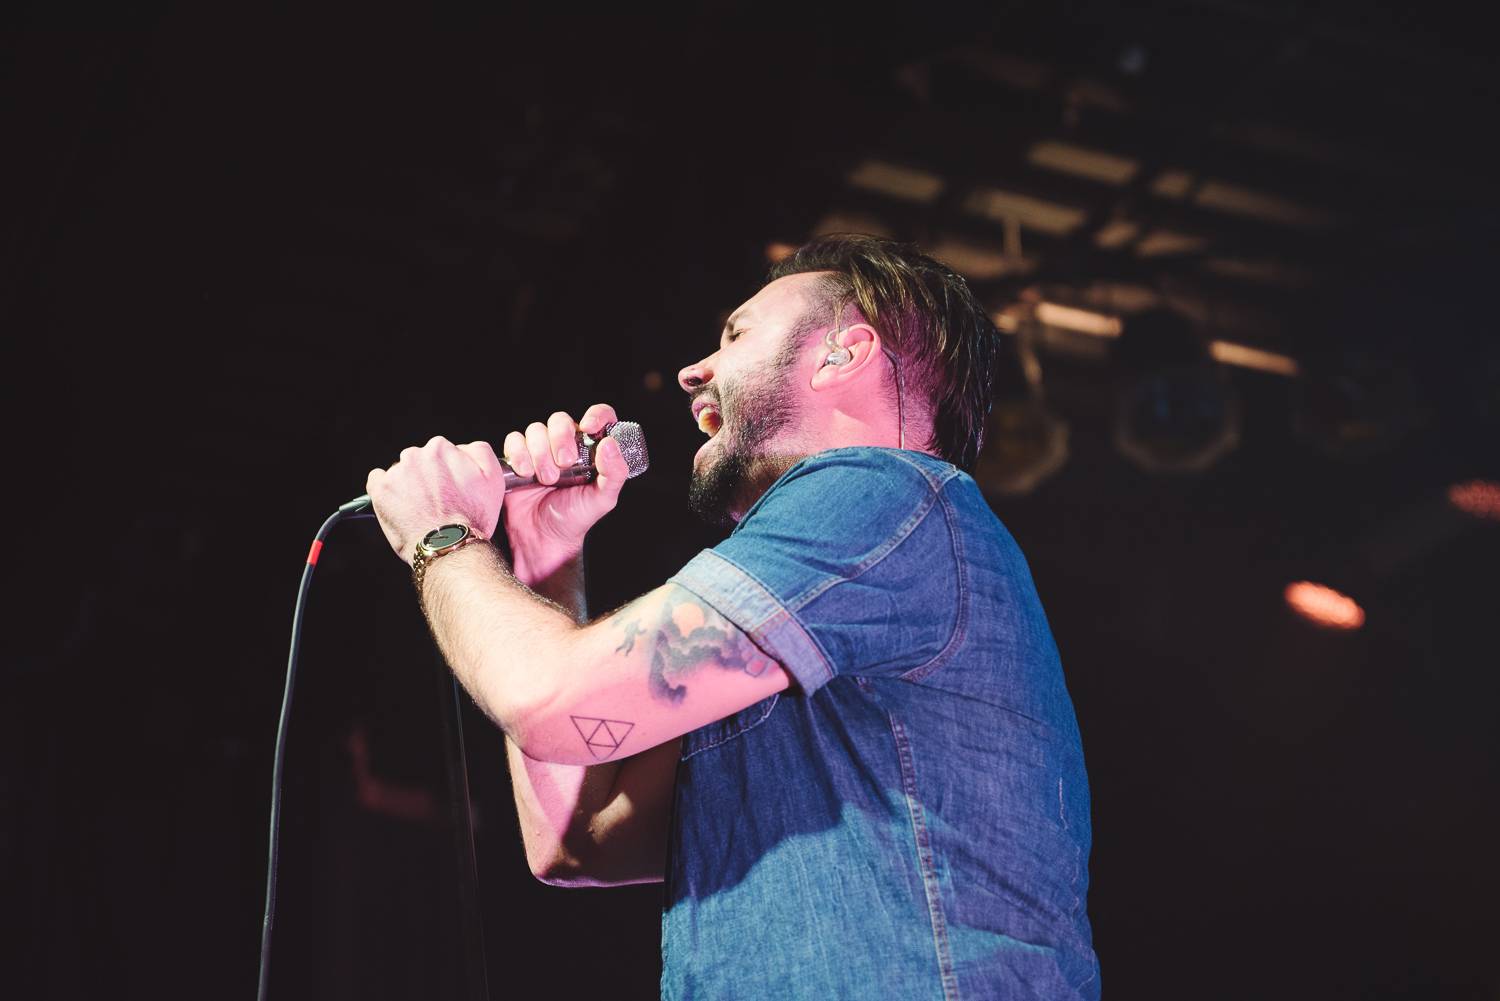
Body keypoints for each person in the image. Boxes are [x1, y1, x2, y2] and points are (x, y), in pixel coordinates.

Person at [365, 234, 1099, 999]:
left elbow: (548, 700)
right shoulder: (811, 617)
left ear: (843, 355)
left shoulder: (884, 492)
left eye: (736, 334)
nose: (692, 370)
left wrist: (442, 535)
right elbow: (577, 839)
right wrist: (549, 556)